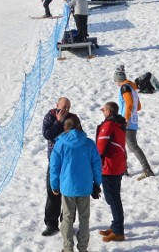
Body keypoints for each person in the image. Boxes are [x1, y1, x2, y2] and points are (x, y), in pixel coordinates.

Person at [49, 115, 102, 252]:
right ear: (79, 125)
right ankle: (83, 248)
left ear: (65, 128)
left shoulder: (60, 144)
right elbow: (96, 164)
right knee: (84, 218)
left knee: (67, 217)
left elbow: (54, 166)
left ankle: (68, 248)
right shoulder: (89, 143)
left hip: (67, 188)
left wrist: (54, 185)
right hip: (85, 187)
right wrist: (97, 183)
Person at [41, 97, 82, 237]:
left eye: (68, 107)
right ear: (57, 105)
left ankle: (67, 224)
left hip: (70, 163)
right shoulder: (50, 116)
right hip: (54, 163)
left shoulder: (73, 118)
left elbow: (78, 136)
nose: (65, 110)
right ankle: (51, 224)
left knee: (69, 195)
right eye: (63, 106)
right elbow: (47, 134)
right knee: (52, 192)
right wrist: (58, 122)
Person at [114, 66, 154, 180]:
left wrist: (125, 118)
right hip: (133, 121)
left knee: (132, 146)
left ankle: (147, 169)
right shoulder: (132, 88)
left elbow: (129, 103)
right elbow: (138, 106)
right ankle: (123, 169)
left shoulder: (124, 88)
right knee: (123, 145)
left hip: (127, 122)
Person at [96, 101, 127, 242]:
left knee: (112, 199)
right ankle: (115, 226)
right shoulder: (119, 125)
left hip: (109, 167)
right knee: (114, 198)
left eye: (104, 111)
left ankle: (118, 231)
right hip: (118, 165)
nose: (103, 113)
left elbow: (100, 148)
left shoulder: (108, 125)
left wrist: (94, 163)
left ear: (108, 111)